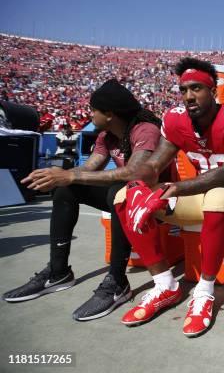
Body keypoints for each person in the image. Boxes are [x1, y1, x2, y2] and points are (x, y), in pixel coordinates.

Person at [115, 58, 224, 337]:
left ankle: (204, 293)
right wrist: (137, 183)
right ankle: (165, 285)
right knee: (124, 196)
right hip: (193, 198)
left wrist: (177, 188)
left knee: (217, 196)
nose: (189, 96)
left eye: (196, 88)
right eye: (183, 90)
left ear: (213, 91)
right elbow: (156, 165)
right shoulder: (175, 119)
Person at [2, 79, 163, 322]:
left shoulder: (144, 129)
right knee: (69, 188)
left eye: (92, 109)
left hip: (159, 197)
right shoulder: (106, 135)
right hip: (129, 196)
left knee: (120, 191)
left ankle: (118, 281)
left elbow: (136, 172)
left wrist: (70, 174)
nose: (89, 114)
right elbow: (88, 169)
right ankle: (58, 271)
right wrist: (60, 177)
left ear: (109, 114)